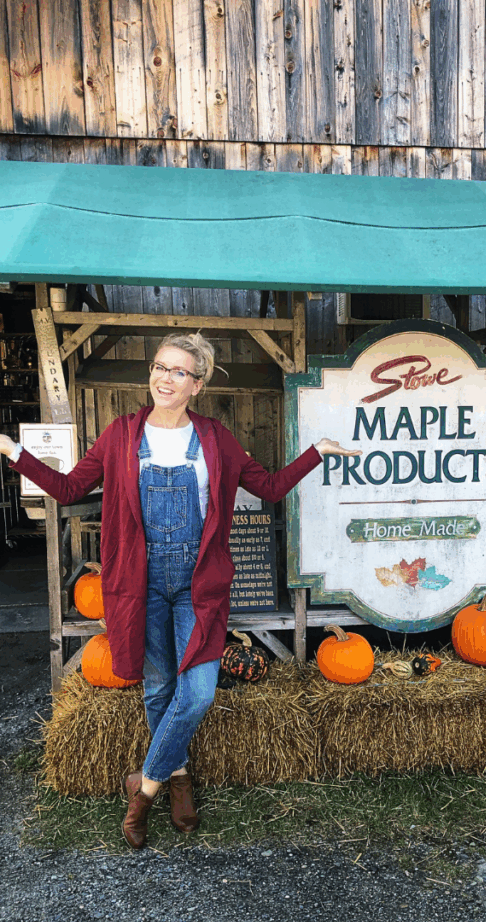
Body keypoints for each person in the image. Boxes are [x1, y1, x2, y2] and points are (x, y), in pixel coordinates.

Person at [0, 333, 359, 849]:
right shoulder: (121, 434)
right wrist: (16, 453)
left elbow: (272, 488)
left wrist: (317, 453)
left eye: (178, 372)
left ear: (198, 383)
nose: (164, 378)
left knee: (198, 693)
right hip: (139, 584)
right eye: (159, 367)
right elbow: (70, 489)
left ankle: (143, 788)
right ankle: (180, 777)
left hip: (198, 584)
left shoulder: (216, 439)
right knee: (159, 689)